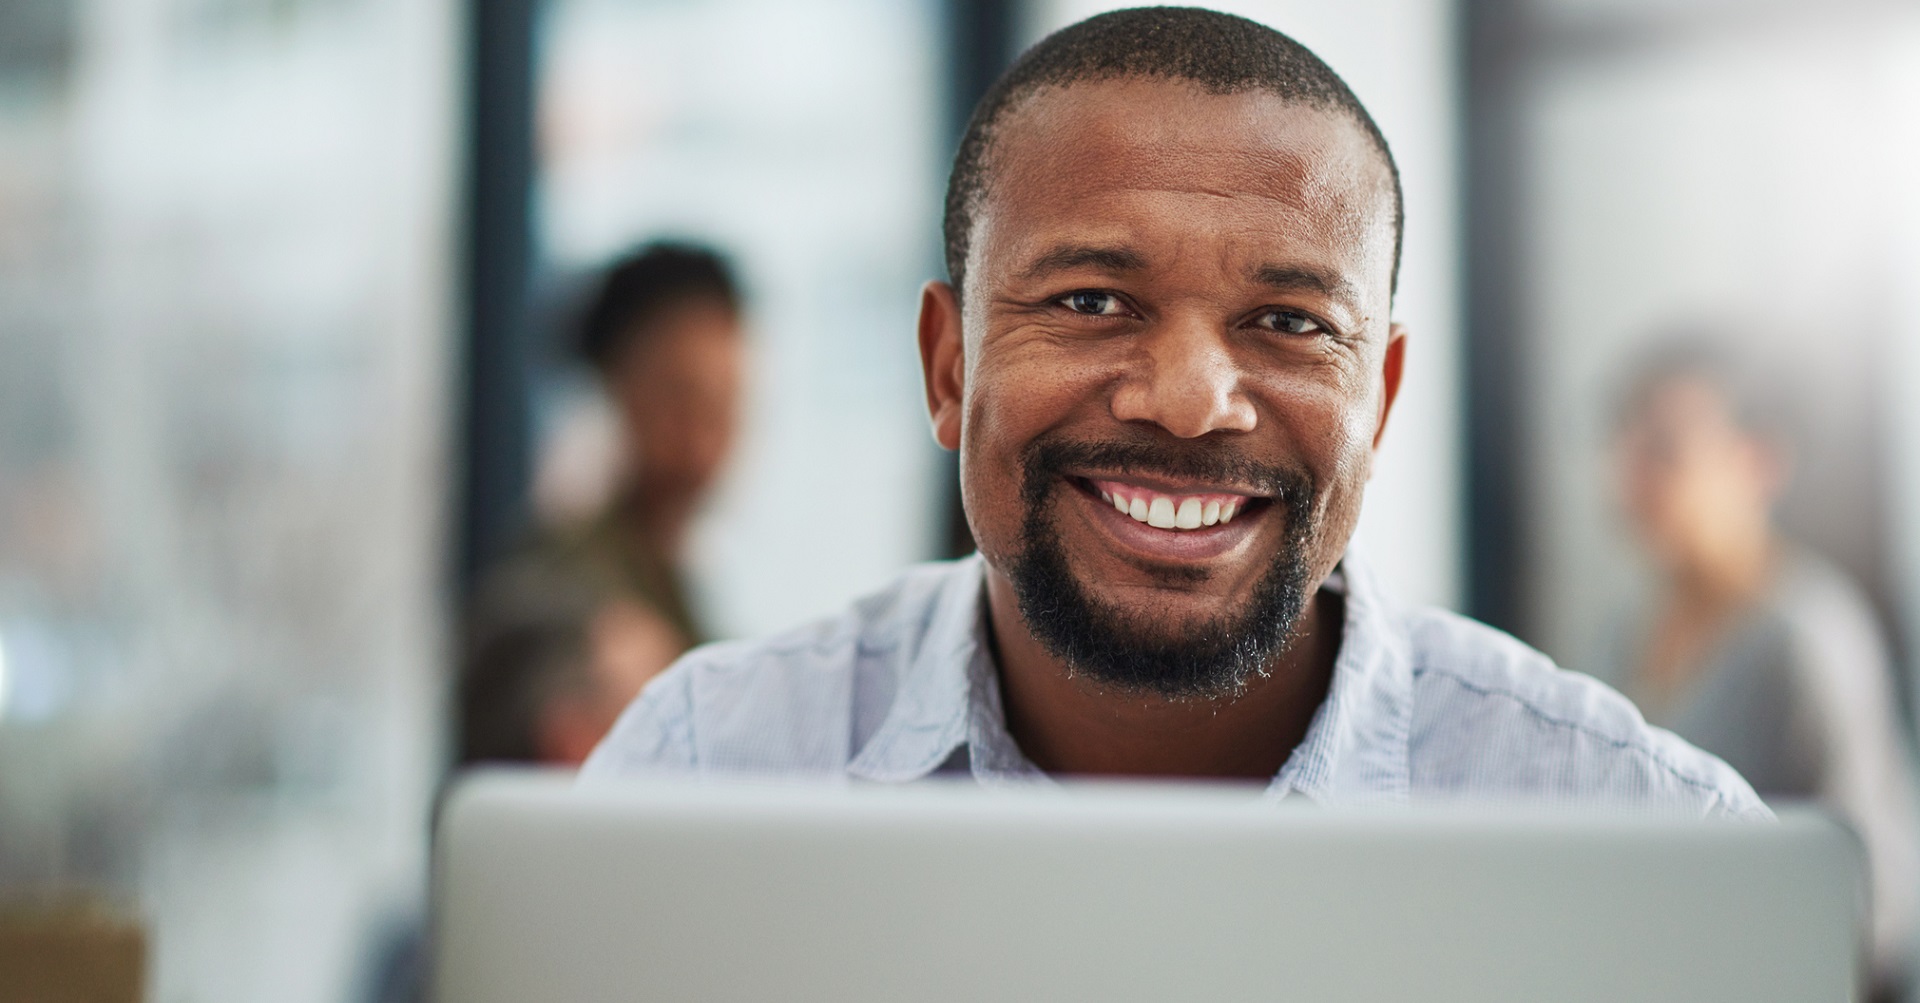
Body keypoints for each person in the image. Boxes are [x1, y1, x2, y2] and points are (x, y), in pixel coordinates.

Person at [583, 8, 1763, 820]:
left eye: (1292, 323)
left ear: (1381, 399)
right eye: (1092, 300)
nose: (1193, 402)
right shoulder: (703, 770)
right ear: (949, 367)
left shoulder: (1636, 828)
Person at [1609, 340, 1918, 983]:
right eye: (1630, 451)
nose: (1637, 480)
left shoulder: (1804, 637)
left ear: (1758, 462)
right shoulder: (1616, 634)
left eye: (1666, 452)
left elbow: (1876, 900)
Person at [543, 241, 748, 651]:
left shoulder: (675, 579)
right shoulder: (559, 591)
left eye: (723, 407)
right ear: (614, 389)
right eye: (678, 401)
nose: (701, 445)